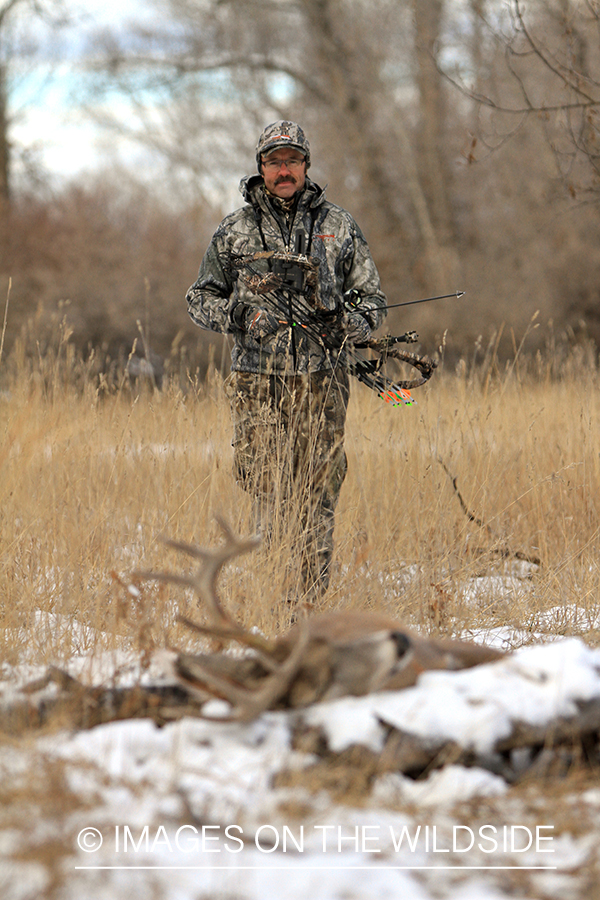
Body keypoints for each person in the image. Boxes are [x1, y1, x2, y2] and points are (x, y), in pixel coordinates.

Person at [186, 120, 387, 606]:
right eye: (274, 161)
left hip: (323, 381)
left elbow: (374, 303)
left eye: (292, 160)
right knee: (268, 492)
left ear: (306, 165)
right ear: (260, 167)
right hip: (257, 382)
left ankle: (311, 605)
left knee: (317, 492)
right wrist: (239, 314)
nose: (283, 170)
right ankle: (279, 597)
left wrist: (351, 324)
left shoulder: (338, 226)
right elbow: (198, 298)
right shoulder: (234, 229)